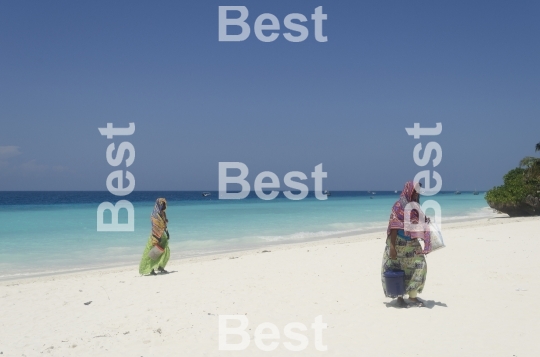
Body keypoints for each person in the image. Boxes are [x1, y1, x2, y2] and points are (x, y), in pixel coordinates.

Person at [381, 181, 431, 307]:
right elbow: (393, 227)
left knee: (420, 265)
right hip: (397, 243)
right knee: (398, 269)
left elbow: (418, 223)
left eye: (418, 191)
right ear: (409, 190)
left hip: (412, 243)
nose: (417, 193)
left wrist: (425, 221)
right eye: (415, 191)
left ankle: (413, 297)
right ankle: (399, 297)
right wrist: (392, 247)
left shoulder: (415, 207)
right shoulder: (398, 206)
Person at [139, 198, 171, 275]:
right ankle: (151, 269)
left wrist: (167, 232)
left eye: (164, 204)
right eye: (162, 204)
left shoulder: (163, 213)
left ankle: (160, 266)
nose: (163, 206)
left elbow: (164, 224)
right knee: (153, 253)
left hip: (162, 234)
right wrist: (157, 237)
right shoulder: (154, 214)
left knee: (165, 250)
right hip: (154, 236)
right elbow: (155, 226)